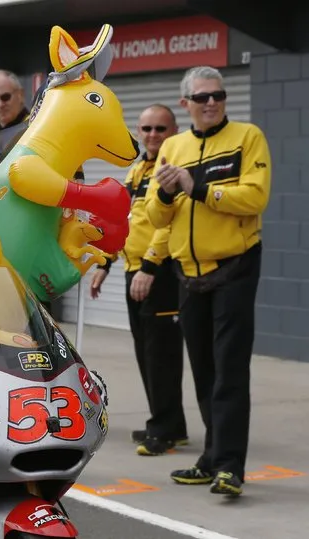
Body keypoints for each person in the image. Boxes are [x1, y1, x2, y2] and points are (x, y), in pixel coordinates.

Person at [145, 66, 271, 497]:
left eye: (217, 95)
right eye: (201, 97)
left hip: (236, 266)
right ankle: (211, 456)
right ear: (187, 104)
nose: (211, 102)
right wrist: (164, 193)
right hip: (188, 273)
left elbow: (255, 197)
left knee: (229, 370)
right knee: (203, 368)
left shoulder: (247, 136)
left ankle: (230, 466)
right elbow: (154, 215)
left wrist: (196, 187)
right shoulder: (173, 146)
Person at [90, 105, 187, 456]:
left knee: (161, 354)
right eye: (146, 128)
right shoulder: (136, 170)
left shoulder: (175, 169)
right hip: (136, 270)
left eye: (161, 129)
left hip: (159, 272)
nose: (152, 135)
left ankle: (166, 428)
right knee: (147, 354)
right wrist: (106, 263)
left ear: (174, 129)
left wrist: (149, 266)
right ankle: (167, 422)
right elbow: (126, 221)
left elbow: (170, 224)